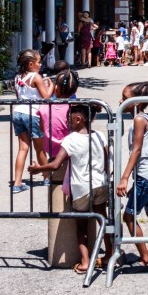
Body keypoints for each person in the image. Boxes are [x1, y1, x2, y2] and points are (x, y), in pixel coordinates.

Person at [30, 102, 112, 274]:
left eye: (69, 119)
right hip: (100, 183)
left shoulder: (70, 140)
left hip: (81, 187)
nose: (67, 123)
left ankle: (84, 262)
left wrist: (37, 168)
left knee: (81, 226)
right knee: (102, 220)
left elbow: (55, 165)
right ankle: (109, 255)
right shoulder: (100, 136)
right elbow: (105, 161)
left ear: (78, 119)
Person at [116, 83, 148, 270]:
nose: (121, 100)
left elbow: (136, 150)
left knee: (129, 216)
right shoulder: (145, 118)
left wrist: (124, 177)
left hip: (146, 174)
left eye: (125, 97)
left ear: (136, 101)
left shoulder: (138, 120)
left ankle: (145, 257)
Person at [11, 49, 53, 193]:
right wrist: (50, 85)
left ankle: (17, 182)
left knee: (23, 148)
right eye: (39, 62)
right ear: (30, 64)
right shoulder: (36, 77)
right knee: (39, 148)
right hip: (33, 114)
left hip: (18, 113)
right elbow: (46, 97)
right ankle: (47, 177)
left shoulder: (17, 77)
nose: (40, 65)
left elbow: (19, 96)